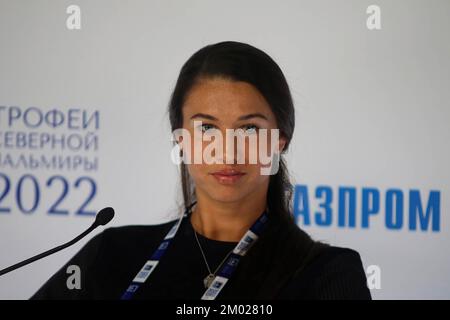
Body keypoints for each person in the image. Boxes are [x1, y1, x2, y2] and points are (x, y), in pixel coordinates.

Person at [32, 41, 371, 300]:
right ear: (180, 138)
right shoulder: (112, 253)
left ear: (280, 139)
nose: (227, 150)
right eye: (207, 128)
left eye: (249, 129)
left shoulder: (328, 275)